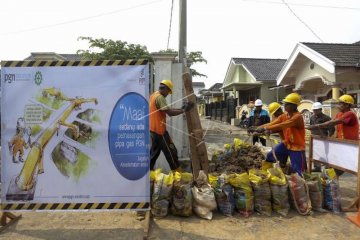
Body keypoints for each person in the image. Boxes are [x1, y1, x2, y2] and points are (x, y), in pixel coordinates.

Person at [255, 93, 306, 176]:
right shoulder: (285, 115)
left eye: (287, 104)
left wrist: (265, 128)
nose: (284, 106)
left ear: (294, 106)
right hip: (286, 143)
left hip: (296, 147)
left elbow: (283, 125)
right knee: (270, 155)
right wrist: (257, 128)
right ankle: (265, 174)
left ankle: (298, 185)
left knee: (297, 169)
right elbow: (274, 123)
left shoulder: (297, 117)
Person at [307, 94, 359, 176]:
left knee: (341, 166)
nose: (338, 106)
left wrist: (317, 126)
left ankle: (331, 180)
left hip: (350, 145)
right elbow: (332, 124)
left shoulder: (350, 114)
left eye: (340, 104)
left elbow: (332, 123)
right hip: (341, 143)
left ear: (347, 105)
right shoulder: (339, 114)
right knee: (334, 165)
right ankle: (331, 181)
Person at [149, 79, 194, 171]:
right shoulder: (160, 97)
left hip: (153, 131)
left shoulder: (153, 95)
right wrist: (184, 110)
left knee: (153, 155)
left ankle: (147, 175)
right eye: (168, 92)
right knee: (171, 152)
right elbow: (169, 112)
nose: (167, 94)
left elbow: (166, 109)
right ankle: (177, 175)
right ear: (165, 89)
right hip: (160, 132)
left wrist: (180, 109)